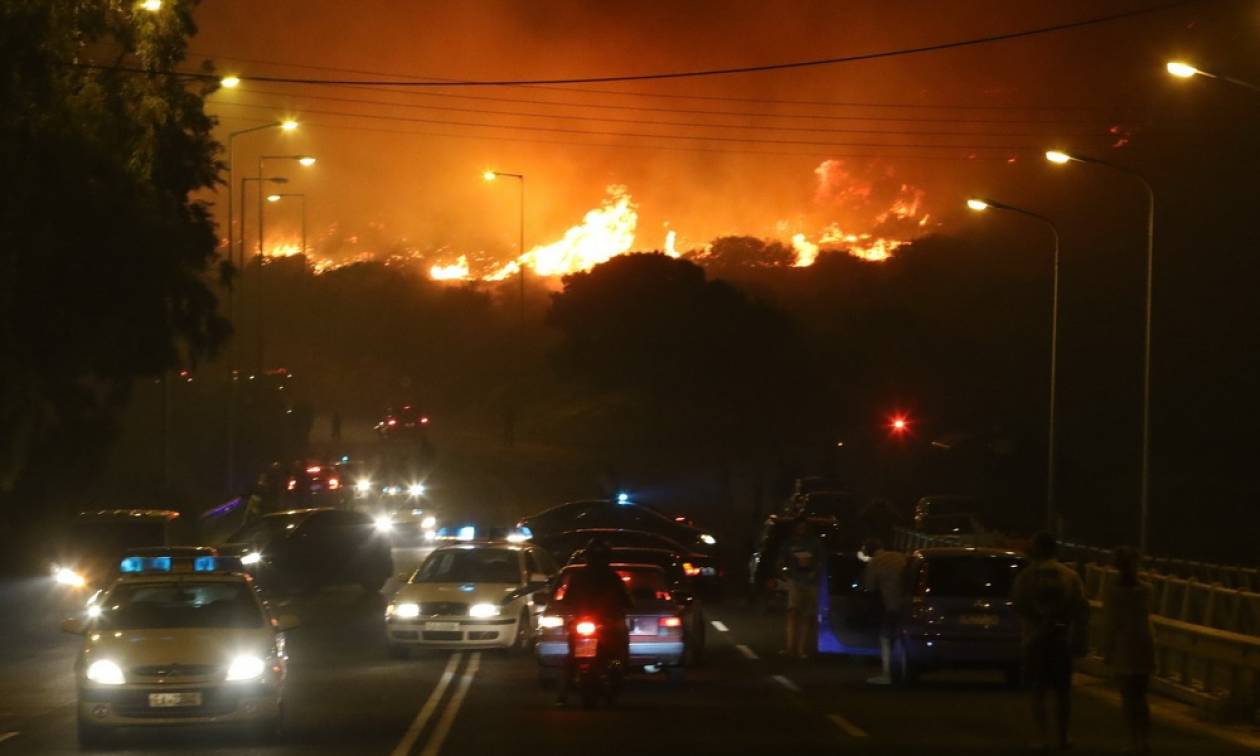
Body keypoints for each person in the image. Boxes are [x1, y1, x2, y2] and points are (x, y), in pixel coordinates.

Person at [1011, 531, 1090, 751]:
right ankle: (1063, 737)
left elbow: (1018, 603)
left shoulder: (1026, 576)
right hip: (1060, 639)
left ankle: (1041, 737)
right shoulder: (1069, 575)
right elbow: (1081, 607)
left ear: (1035, 549)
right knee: (1062, 692)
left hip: (1033, 640)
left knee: (1038, 690)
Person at [552, 539, 631, 705]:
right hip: (584, 621)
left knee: (618, 648)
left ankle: (617, 670)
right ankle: (563, 694)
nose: (597, 561)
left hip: (606, 622)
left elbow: (626, 601)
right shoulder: (583, 577)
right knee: (572, 657)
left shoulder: (611, 577)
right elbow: (567, 601)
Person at [1102, 546, 1155, 755]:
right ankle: (1144, 740)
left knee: (1128, 696)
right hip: (1144, 641)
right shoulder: (1147, 590)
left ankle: (1133, 739)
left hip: (1124, 643)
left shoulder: (1112, 590)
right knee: (1141, 696)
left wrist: (1107, 648)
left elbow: (1111, 622)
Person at [861, 536, 907, 685]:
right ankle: (904, 672)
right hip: (907, 604)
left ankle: (887, 674)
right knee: (903, 639)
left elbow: (870, 587)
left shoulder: (874, 562)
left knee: (885, 639)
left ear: (869, 551)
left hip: (890, 605)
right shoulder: (899, 556)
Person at [780, 517, 822, 659]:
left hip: (811, 583)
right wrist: (785, 574)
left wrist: (814, 572)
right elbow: (781, 560)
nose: (801, 529)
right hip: (795, 581)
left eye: (803, 527)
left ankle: (801, 649)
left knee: (806, 615)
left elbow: (821, 561)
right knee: (792, 613)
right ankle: (789, 647)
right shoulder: (789, 543)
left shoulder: (814, 543)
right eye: (799, 527)